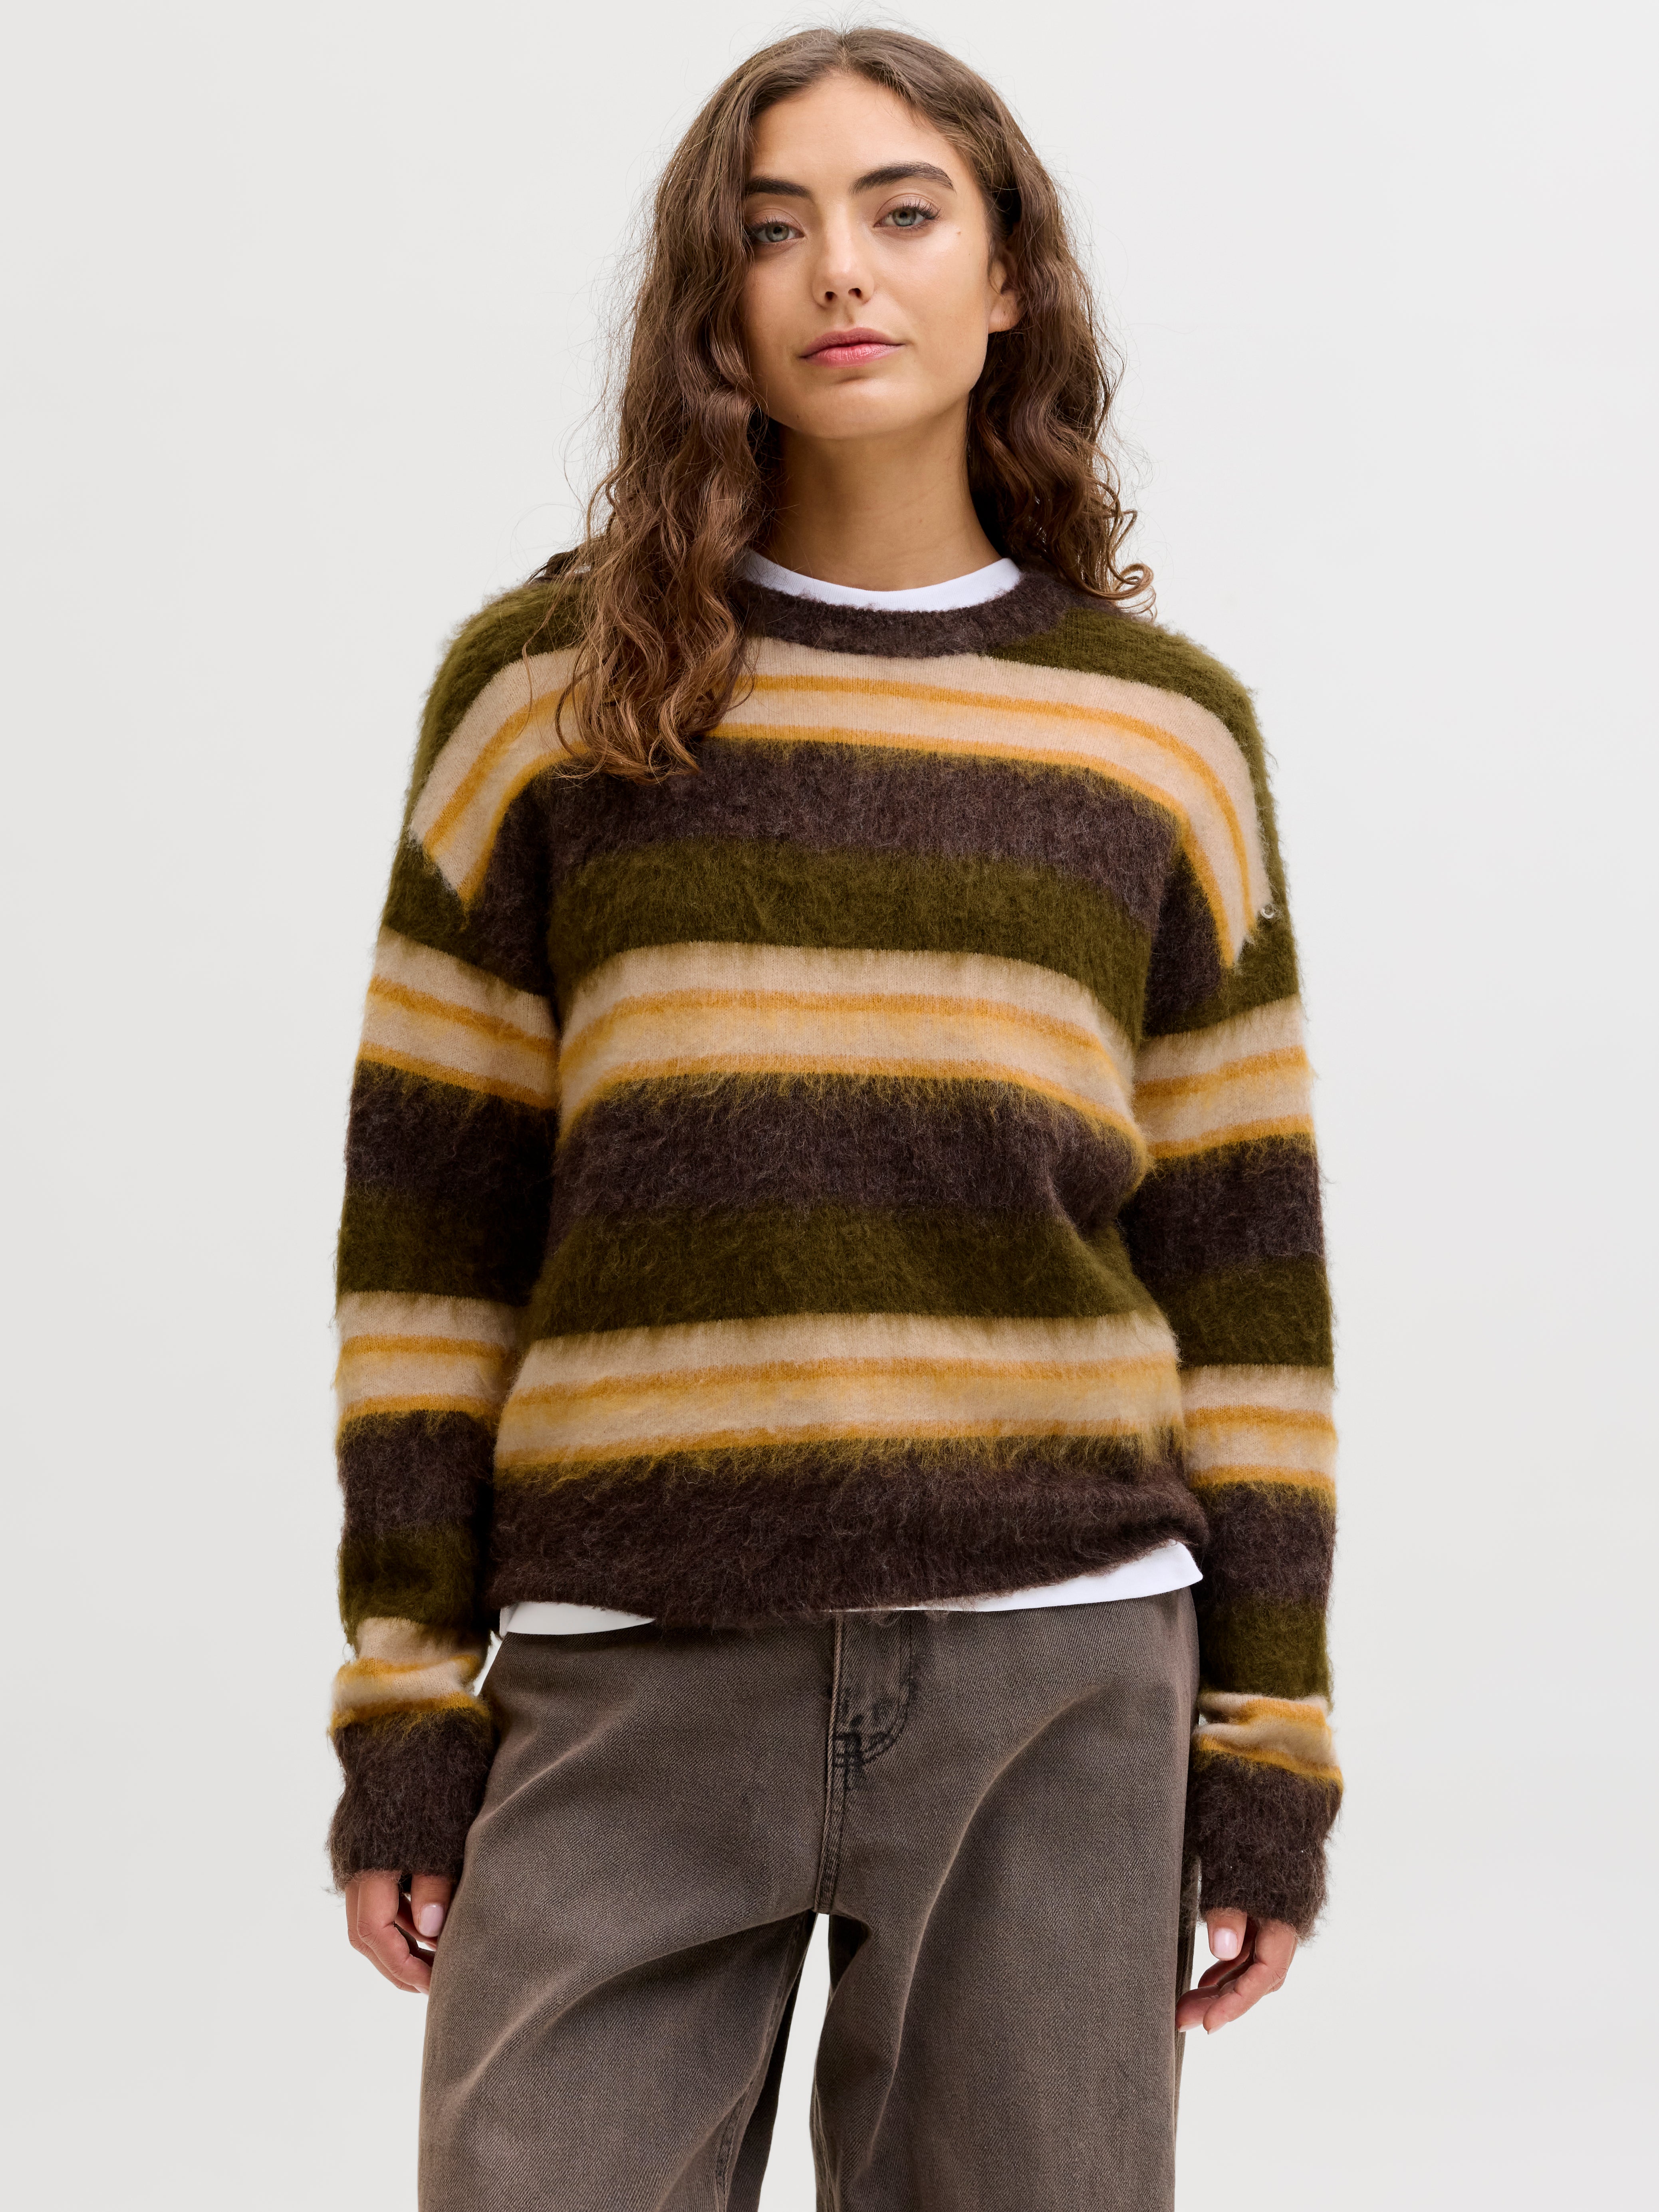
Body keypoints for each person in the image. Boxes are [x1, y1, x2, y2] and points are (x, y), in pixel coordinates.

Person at [326, 26, 1341, 2211]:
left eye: (903, 213)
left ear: (1009, 279)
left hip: (1057, 1672)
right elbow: (429, 1241)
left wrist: (1270, 1745)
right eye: (771, 228)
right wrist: (403, 1697)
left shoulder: (1161, 740)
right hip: (629, 1673)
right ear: (712, 296)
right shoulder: (548, 703)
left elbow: (1248, 1280)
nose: (839, 272)